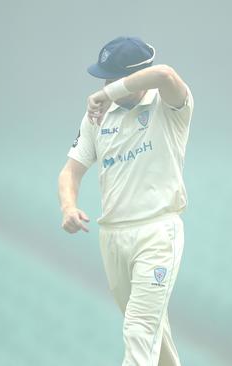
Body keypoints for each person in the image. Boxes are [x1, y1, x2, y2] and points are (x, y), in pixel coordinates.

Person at [57, 36, 194, 366]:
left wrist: (106, 94)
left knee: (139, 328)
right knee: (154, 335)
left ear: (131, 76)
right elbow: (69, 172)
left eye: (111, 78)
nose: (104, 84)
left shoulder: (171, 106)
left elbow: (164, 74)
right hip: (114, 238)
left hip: (157, 232)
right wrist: (68, 207)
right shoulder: (98, 117)